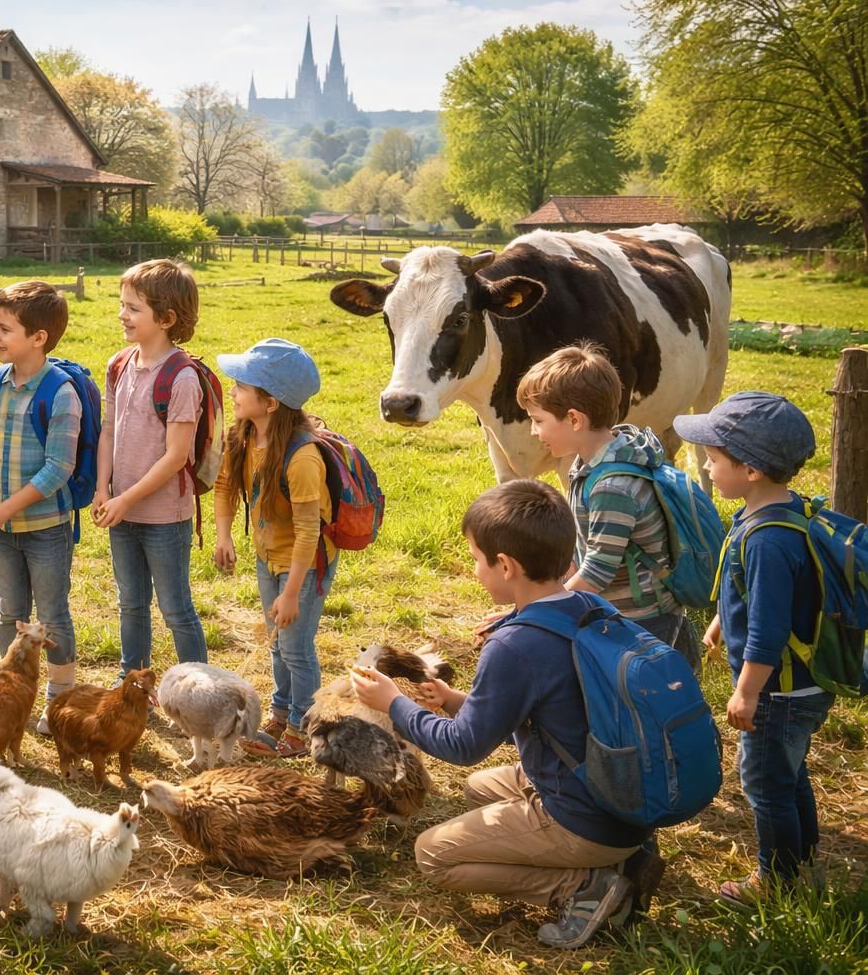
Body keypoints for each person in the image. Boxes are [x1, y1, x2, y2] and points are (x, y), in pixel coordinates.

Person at [352, 480, 652, 950]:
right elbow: (546, 708)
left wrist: (394, 702)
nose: (474, 570)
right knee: (479, 790)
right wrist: (453, 699)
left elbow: (464, 747)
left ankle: (585, 887)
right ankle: (616, 857)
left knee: (432, 854)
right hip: (623, 791)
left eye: (476, 559)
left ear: (507, 565)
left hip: (588, 816)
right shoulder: (590, 606)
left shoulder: (514, 644)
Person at [674, 392, 826, 904]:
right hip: (797, 686)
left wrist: (746, 693)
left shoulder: (767, 539)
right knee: (789, 770)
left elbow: (768, 627)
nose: (708, 467)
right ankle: (803, 858)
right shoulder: (770, 513)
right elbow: (749, 591)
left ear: (753, 469)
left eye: (715, 459)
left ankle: (775, 881)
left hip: (779, 691)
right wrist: (720, 619)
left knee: (765, 784)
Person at [516, 344, 702, 668]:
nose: (533, 431)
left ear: (574, 419)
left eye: (537, 420)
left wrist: (541, 612)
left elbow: (598, 570)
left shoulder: (611, 487)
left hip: (643, 622)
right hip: (616, 611)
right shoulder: (591, 462)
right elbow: (583, 547)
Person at [0, 281, 80, 733]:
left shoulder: (61, 392)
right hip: (0, 526)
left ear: (38, 338)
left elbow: (58, 469)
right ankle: (10, 692)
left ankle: (61, 702)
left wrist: (6, 508)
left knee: (51, 614)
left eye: (4, 328)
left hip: (46, 527)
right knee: (11, 612)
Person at [212, 338, 331, 760]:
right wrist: (224, 535)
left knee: (297, 648)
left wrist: (291, 592)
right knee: (278, 642)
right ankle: (281, 713)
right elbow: (225, 487)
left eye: (243, 385)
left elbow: (307, 531)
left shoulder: (303, 459)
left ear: (272, 403)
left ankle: (304, 726)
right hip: (269, 556)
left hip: (304, 563)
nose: (234, 390)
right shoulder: (243, 436)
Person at [93, 259, 209, 680]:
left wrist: (125, 498)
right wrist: (103, 488)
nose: (122, 315)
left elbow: (177, 456)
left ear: (167, 318)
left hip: (163, 516)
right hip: (121, 508)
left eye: (134, 308)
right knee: (131, 603)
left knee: (175, 608)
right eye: (122, 305)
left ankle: (197, 688)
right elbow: (108, 431)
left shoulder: (181, 379)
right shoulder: (119, 365)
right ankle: (133, 684)